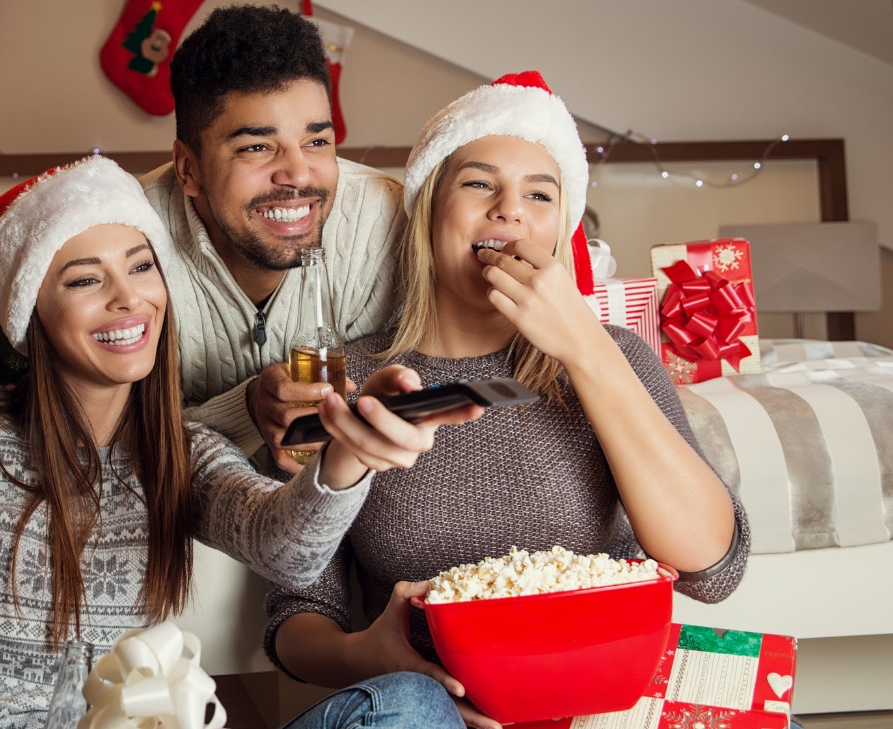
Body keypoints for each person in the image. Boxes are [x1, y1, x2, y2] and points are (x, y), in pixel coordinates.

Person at [0, 156, 478, 729]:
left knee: (411, 707)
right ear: (32, 310)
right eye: (85, 280)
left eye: (143, 267)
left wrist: (350, 453)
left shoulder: (178, 451)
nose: (129, 299)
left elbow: (285, 550)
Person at [264, 72, 749, 729]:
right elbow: (294, 614)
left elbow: (711, 570)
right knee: (408, 706)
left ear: (556, 231)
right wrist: (368, 658)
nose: (509, 209)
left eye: (538, 194)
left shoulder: (612, 358)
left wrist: (584, 348)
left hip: (596, 709)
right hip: (426, 714)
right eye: (477, 183)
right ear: (429, 208)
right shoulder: (353, 378)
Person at [141, 4, 406, 474]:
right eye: (257, 147)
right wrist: (243, 411)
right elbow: (108, 439)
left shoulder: (384, 222)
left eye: (317, 141)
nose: (300, 174)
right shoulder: (129, 238)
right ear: (189, 168)